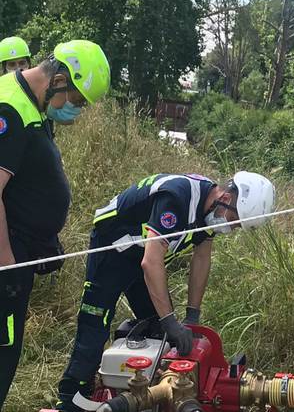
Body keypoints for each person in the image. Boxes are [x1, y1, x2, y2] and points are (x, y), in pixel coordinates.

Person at [56, 171, 275, 411]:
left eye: (237, 226)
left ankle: (140, 393)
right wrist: (171, 320)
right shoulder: (177, 197)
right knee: (94, 326)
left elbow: (202, 257)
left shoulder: (210, 211)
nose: (231, 228)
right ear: (227, 197)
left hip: (142, 251)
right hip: (112, 247)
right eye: (234, 219)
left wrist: (192, 315)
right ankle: (70, 399)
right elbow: (151, 262)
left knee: (158, 331)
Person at [0, 40, 111, 409]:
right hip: (5, 259)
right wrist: (7, 259)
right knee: (2, 350)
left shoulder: (32, 104)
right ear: (60, 79)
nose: (75, 110)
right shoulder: (10, 111)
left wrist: (41, 238)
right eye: (77, 101)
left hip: (21, 245)